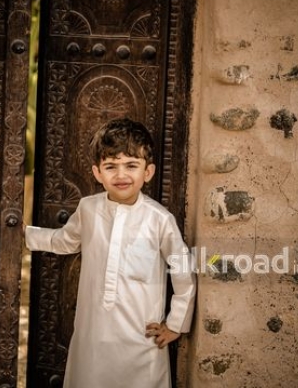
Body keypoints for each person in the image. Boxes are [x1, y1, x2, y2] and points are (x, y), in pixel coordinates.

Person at [24, 117, 196, 388]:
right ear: (97, 173)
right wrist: (25, 236)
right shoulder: (88, 209)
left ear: (148, 172)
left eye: (131, 165)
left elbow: (182, 270)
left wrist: (175, 324)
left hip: (141, 340)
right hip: (93, 334)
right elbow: (66, 241)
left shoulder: (159, 220)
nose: (121, 175)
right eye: (111, 166)